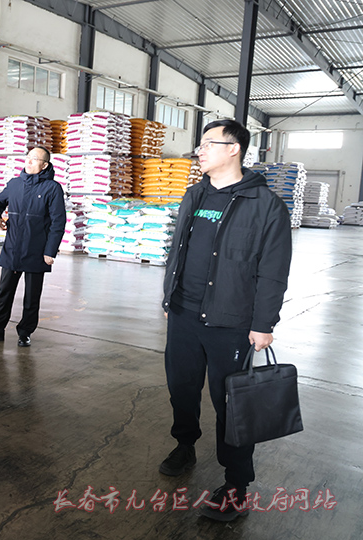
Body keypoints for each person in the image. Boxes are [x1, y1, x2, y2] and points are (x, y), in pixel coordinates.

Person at [159, 119, 292, 522]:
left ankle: (236, 484)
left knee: (231, 403)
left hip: (230, 321)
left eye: (208, 144)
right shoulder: (195, 194)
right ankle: (185, 444)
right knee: (182, 389)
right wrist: (169, 295)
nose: (199, 151)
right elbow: (178, 249)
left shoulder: (265, 205)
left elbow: (273, 271)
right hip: (183, 313)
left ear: (234, 148)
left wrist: (264, 323)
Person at [0, 146, 66, 347]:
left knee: (32, 297)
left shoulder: (52, 189)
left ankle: (25, 332)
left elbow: (58, 222)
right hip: (13, 248)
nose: (29, 161)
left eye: (34, 159)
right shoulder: (15, 184)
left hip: (37, 251)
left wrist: (50, 251)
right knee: (4, 293)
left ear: (45, 165)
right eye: (28, 157)